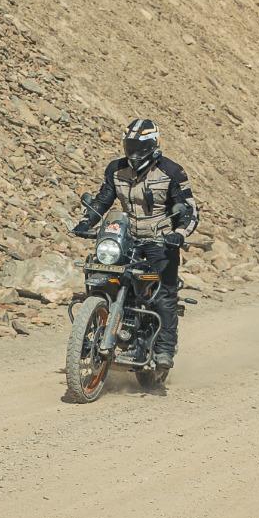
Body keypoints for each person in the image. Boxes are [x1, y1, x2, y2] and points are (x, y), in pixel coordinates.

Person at [72, 117, 199, 367]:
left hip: (160, 242)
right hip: (125, 237)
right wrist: (87, 221)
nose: (133, 151)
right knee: (101, 276)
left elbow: (189, 209)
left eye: (138, 146)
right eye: (129, 145)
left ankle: (164, 350)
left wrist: (179, 234)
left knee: (163, 294)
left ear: (152, 144)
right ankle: (91, 329)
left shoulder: (171, 171)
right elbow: (103, 199)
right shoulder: (116, 169)